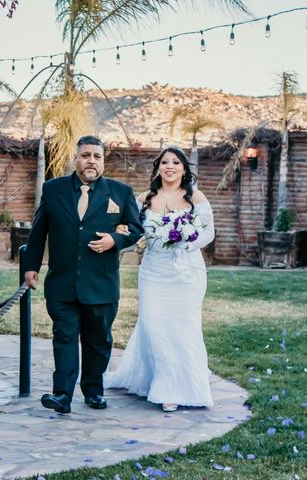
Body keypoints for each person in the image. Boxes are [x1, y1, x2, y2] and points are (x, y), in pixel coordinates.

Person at [24, 135, 144, 414]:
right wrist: (31, 265)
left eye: (97, 156)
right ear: (76, 159)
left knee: (98, 340)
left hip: (101, 283)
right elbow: (39, 230)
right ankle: (62, 395)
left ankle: (93, 391)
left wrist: (115, 240)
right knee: (64, 337)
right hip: (62, 282)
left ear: (103, 161)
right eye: (86, 155)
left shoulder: (120, 192)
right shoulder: (53, 190)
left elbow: (136, 230)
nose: (91, 161)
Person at [105, 145, 215, 412]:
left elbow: (208, 232)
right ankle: (157, 379)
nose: (170, 167)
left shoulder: (195, 197)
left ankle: (174, 389)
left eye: (176, 163)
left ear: (183, 168)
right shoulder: (144, 198)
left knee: (182, 327)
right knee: (153, 324)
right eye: (165, 162)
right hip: (154, 271)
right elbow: (129, 228)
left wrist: (185, 243)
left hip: (187, 272)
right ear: (158, 168)